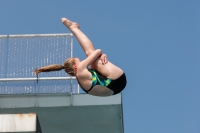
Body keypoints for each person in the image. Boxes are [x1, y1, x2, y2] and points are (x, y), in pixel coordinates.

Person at [34, 18, 126, 96]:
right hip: (117, 80)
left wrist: (100, 56)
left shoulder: (81, 78)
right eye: (80, 61)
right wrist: (100, 54)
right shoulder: (81, 69)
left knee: (93, 59)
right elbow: (98, 51)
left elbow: (97, 61)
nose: (82, 62)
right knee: (90, 53)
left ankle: (73, 28)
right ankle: (73, 28)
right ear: (75, 66)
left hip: (114, 88)